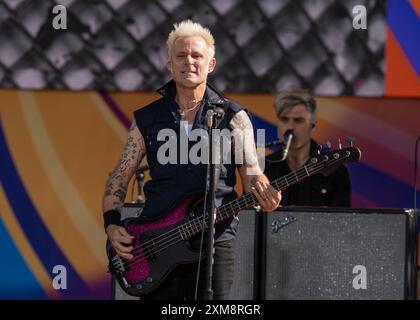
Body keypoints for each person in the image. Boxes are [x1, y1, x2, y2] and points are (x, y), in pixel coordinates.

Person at [102, 20, 281, 300]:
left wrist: (265, 191)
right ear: (169, 65)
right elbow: (118, 178)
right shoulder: (146, 119)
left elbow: (253, 175)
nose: (189, 62)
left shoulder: (237, 118)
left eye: (197, 55)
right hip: (156, 244)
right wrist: (112, 224)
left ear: (211, 64)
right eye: (181, 56)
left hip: (214, 244)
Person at [264, 86, 351, 207]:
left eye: (298, 120)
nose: (290, 127)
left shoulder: (335, 168)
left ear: (313, 125)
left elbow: (342, 220)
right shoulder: (264, 167)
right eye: (284, 119)